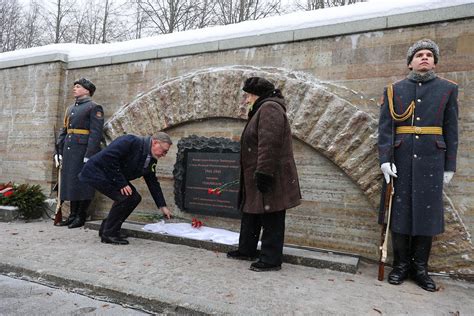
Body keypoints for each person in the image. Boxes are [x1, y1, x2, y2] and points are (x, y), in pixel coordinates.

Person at [378, 39, 459, 291]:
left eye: (429, 55)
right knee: (398, 213)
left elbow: (451, 128)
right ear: (410, 62)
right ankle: (400, 265)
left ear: (434, 61)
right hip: (400, 160)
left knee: (427, 215)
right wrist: (385, 160)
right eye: (419, 55)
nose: (424, 58)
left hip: (432, 160)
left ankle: (420, 268)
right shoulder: (394, 90)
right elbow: (385, 129)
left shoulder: (447, 89)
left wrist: (449, 165)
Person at [227, 77, 301, 271]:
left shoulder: (270, 109)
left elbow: (269, 143)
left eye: (248, 95)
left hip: (270, 174)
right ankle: (247, 249)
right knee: (252, 212)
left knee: (272, 216)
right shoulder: (262, 109)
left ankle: (271, 259)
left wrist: (264, 173)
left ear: (257, 95)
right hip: (257, 173)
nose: (246, 100)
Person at [78, 132, 173, 245]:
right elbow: (110, 159)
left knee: (134, 198)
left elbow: (152, 182)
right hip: (97, 172)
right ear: (155, 143)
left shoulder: (151, 159)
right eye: (164, 151)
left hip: (112, 175)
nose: (164, 155)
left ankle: (108, 228)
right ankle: (109, 234)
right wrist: (122, 184)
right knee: (125, 198)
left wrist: (162, 206)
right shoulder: (130, 141)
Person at [55, 78, 104, 228]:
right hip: (70, 150)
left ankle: (81, 215)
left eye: (78, 86)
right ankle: (72, 215)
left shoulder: (94, 107)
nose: (74, 89)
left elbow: (95, 134)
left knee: (82, 183)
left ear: (87, 90)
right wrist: (59, 150)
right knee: (71, 183)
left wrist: (89, 155)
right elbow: (65, 130)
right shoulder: (70, 109)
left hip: (83, 150)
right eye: (74, 86)